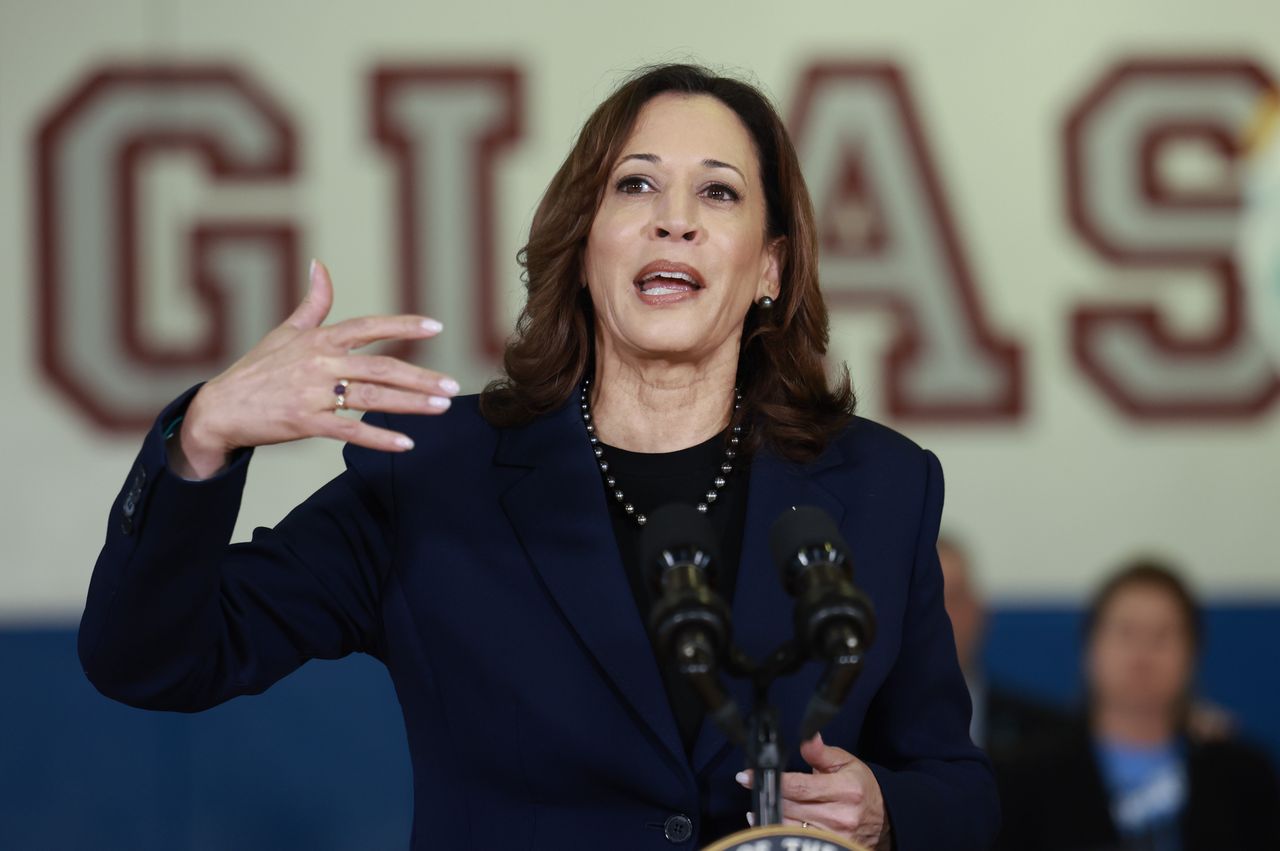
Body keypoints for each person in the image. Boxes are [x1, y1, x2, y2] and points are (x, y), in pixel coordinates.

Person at [79, 63, 998, 850]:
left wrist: (888, 813)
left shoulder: (881, 485)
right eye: (635, 185)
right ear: (584, 241)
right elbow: (153, 660)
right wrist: (200, 437)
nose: (673, 220)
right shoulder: (437, 472)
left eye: (718, 191)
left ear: (771, 267)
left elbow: (958, 786)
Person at [996, 559, 1280, 851]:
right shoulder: (1024, 779)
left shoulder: (1243, 778)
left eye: (1162, 635)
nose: (1142, 655)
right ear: (1090, 648)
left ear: (1193, 654)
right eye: (1126, 632)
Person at [938, 535, 1071, 763]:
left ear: (979, 612)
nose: (942, 617)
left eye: (954, 598)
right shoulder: (865, 729)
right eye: (926, 602)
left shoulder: (1047, 736)